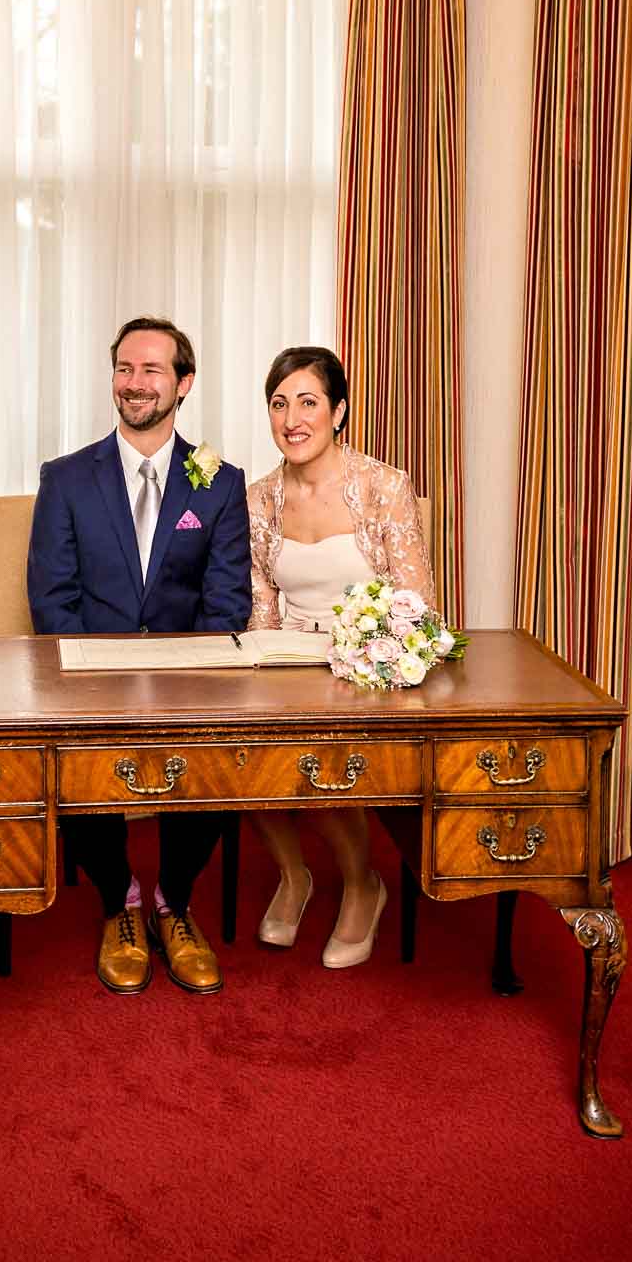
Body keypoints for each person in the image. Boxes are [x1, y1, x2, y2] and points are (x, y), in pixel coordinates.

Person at [27, 315, 252, 996]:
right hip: (92, 673)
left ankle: (172, 903)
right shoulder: (66, 478)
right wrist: (92, 677)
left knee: (222, 748)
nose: (136, 383)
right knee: (79, 748)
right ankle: (118, 900)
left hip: (189, 676)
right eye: (125, 368)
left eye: (152, 370)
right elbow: (51, 594)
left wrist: (192, 677)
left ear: (183, 383)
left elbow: (227, 596)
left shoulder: (218, 479)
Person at [246, 345, 434, 968]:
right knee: (241, 752)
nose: (292, 418)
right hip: (287, 656)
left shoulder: (384, 487)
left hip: (367, 664)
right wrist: (264, 673)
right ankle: (294, 875)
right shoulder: (258, 497)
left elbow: (413, 602)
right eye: (279, 404)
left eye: (307, 402)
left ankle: (362, 885)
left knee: (322, 764)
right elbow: (261, 600)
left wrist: (366, 659)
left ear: (339, 411)